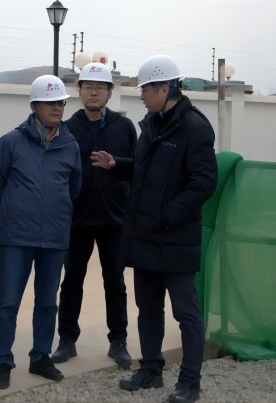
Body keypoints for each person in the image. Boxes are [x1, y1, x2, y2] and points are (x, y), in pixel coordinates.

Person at [93, 55, 216, 403]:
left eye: (145, 88)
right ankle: (150, 370)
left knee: (186, 313)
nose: (141, 94)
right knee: (148, 308)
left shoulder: (194, 127)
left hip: (175, 238)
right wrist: (118, 165)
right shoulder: (151, 125)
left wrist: (166, 216)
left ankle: (189, 382)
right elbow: (147, 171)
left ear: (165, 88)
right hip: (146, 236)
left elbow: (204, 182)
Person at [0, 75, 82, 390]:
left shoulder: (70, 145)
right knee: (8, 302)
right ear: (34, 106)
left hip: (55, 237)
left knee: (47, 303)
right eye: (50, 102)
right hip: (17, 238)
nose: (57, 108)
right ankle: (2, 361)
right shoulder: (10, 142)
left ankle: (40, 357)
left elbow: (74, 187)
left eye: (61, 103)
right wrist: (15, 207)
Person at [52, 62, 136, 369]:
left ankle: (118, 341)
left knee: (115, 282)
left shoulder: (124, 127)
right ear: (79, 91)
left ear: (110, 93)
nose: (93, 92)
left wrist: (118, 166)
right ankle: (66, 339)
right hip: (77, 220)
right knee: (71, 281)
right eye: (88, 87)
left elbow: (136, 168)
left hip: (114, 220)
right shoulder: (67, 127)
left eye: (100, 87)